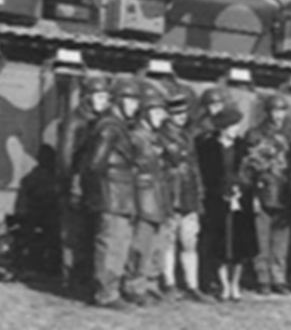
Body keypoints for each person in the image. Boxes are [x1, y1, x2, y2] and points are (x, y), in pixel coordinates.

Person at [82, 77, 142, 309]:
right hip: (112, 194)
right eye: (131, 100)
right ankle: (106, 293)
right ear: (118, 101)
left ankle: (111, 289)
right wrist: (97, 193)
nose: (135, 105)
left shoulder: (116, 126)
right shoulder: (109, 127)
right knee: (111, 244)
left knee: (119, 243)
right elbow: (94, 164)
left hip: (120, 194)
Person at [197, 100, 258, 301]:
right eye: (232, 126)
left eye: (237, 126)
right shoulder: (208, 147)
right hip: (217, 201)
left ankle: (235, 284)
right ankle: (223, 285)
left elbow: (251, 173)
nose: (236, 130)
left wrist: (243, 190)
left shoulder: (243, 147)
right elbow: (205, 174)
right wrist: (219, 192)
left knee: (240, 245)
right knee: (220, 245)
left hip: (242, 201)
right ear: (222, 128)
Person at [155, 86, 211, 302]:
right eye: (176, 113)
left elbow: (195, 167)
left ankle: (191, 285)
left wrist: (199, 193)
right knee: (168, 241)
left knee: (189, 242)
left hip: (188, 194)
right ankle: (169, 283)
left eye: (183, 113)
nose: (181, 117)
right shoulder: (161, 136)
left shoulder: (188, 136)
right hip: (170, 193)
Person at [56, 73, 110, 288]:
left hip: (95, 183)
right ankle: (70, 277)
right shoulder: (75, 121)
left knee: (91, 231)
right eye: (99, 97)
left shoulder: (103, 121)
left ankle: (86, 275)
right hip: (77, 181)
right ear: (88, 97)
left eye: (105, 97)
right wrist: (70, 181)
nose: (103, 101)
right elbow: (65, 155)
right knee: (73, 234)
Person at [242, 93, 291, 295]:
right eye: (274, 110)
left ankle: (279, 277)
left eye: (282, 110)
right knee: (261, 237)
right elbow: (247, 169)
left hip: (284, 192)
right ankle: (262, 277)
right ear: (267, 112)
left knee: (281, 239)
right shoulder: (254, 134)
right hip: (262, 190)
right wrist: (252, 195)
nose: (278, 115)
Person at [124, 83, 170, 306]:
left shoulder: (157, 138)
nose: (162, 117)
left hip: (158, 196)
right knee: (140, 246)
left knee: (157, 245)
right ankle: (134, 286)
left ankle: (151, 283)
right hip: (142, 197)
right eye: (157, 112)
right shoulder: (135, 138)